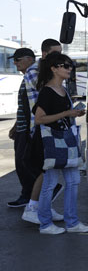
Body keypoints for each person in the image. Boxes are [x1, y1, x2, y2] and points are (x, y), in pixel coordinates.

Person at [33, 52, 88, 234]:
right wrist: (67, 114)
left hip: (65, 140)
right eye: (65, 66)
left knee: (73, 180)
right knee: (50, 182)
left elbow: (62, 114)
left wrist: (73, 113)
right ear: (53, 69)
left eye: (70, 65)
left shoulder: (64, 91)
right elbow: (39, 119)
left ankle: (72, 223)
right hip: (51, 142)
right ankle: (45, 224)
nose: (69, 68)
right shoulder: (47, 91)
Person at [20, 38, 65, 224]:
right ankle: (32, 207)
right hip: (41, 129)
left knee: (50, 172)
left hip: (49, 128)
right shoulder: (34, 73)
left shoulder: (47, 71)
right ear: (45, 54)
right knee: (44, 171)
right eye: (55, 54)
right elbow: (47, 99)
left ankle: (43, 207)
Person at [7, 48, 37, 208]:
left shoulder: (32, 75)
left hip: (27, 130)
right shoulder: (26, 76)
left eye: (18, 59)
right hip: (22, 128)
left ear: (29, 59)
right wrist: (15, 125)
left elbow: (32, 106)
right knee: (21, 163)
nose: (15, 63)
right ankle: (27, 195)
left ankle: (30, 196)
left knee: (24, 162)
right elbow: (23, 106)